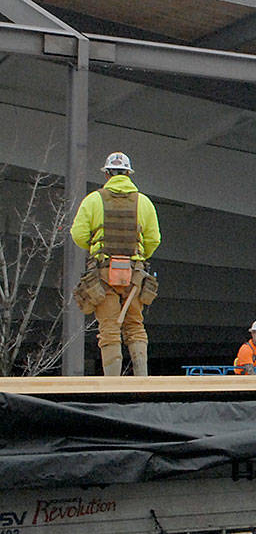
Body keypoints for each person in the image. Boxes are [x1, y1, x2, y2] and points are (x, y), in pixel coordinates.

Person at [70, 151, 161, 376]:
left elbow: (78, 234)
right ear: (128, 174)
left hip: (103, 273)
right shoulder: (144, 202)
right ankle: (142, 381)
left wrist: (95, 248)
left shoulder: (93, 200)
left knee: (109, 330)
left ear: (108, 173)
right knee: (135, 327)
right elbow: (153, 240)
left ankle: (112, 386)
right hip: (134, 275)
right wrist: (138, 259)